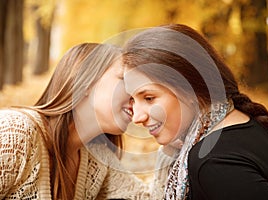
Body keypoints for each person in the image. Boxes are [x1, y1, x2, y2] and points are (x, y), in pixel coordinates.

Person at [122, 24, 268, 200]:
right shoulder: (238, 123)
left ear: (189, 88)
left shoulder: (213, 162)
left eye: (149, 98)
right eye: (132, 99)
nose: (137, 117)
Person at [0, 42, 164, 199]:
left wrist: (171, 138)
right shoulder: (15, 132)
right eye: (125, 80)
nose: (135, 95)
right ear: (85, 82)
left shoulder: (97, 159)